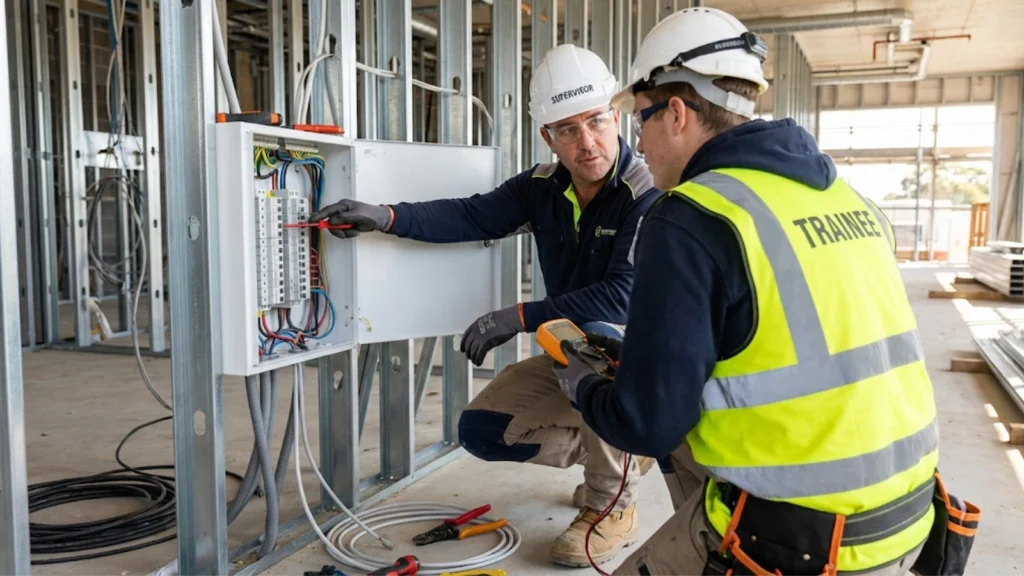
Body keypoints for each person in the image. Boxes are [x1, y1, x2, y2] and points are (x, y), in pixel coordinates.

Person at [553, 7, 953, 576]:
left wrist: (585, 388)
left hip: (801, 540)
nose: (636, 142)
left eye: (638, 119)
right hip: (911, 517)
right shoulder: (851, 200)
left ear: (676, 112)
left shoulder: (690, 216)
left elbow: (649, 425)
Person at [309, 44, 662, 567]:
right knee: (483, 430)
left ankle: (612, 502)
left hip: (635, 358)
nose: (586, 143)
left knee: (595, 329)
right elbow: (471, 216)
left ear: (617, 117)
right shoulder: (542, 187)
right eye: (567, 130)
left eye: (595, 122)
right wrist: (385, 216)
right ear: (548, 138)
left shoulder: (646, 193)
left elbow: (622, 296)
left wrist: (516, 317)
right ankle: (622, 453)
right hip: (572, 348)